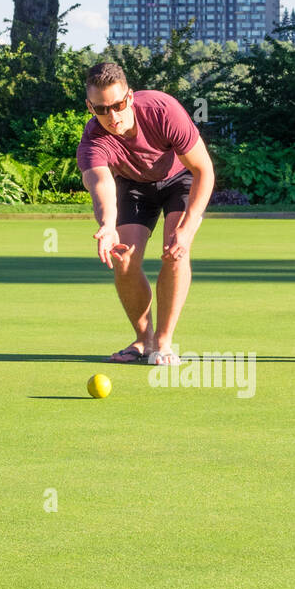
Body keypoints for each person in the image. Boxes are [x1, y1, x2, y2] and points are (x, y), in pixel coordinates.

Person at [76, 62, 215, 365]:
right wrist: (108, 225)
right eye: (102, 109)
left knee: (176, 250)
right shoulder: (93, 140)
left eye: (118, 105)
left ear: (130, 96)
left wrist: (188, 228)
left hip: (181, 178)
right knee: (124, 259)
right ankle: (144, 340)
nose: (112, 117)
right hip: (134, 184)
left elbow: (204, 169)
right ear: (90, 107)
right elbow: (101, 183)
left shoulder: (163, 110)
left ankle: (164, 342)